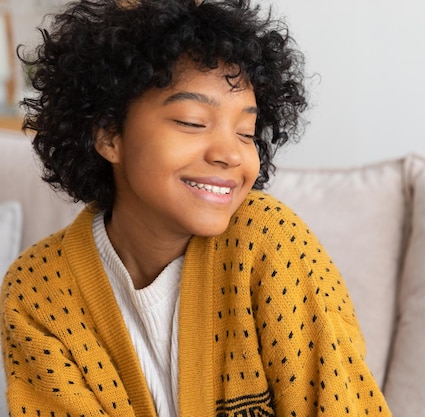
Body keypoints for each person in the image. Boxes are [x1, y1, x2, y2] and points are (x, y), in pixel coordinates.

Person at [1, 0, 391, 416]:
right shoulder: (37, 292)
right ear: (110, 135)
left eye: (246, 132)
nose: (231, 154)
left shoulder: (269, 243)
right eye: (192, 121)